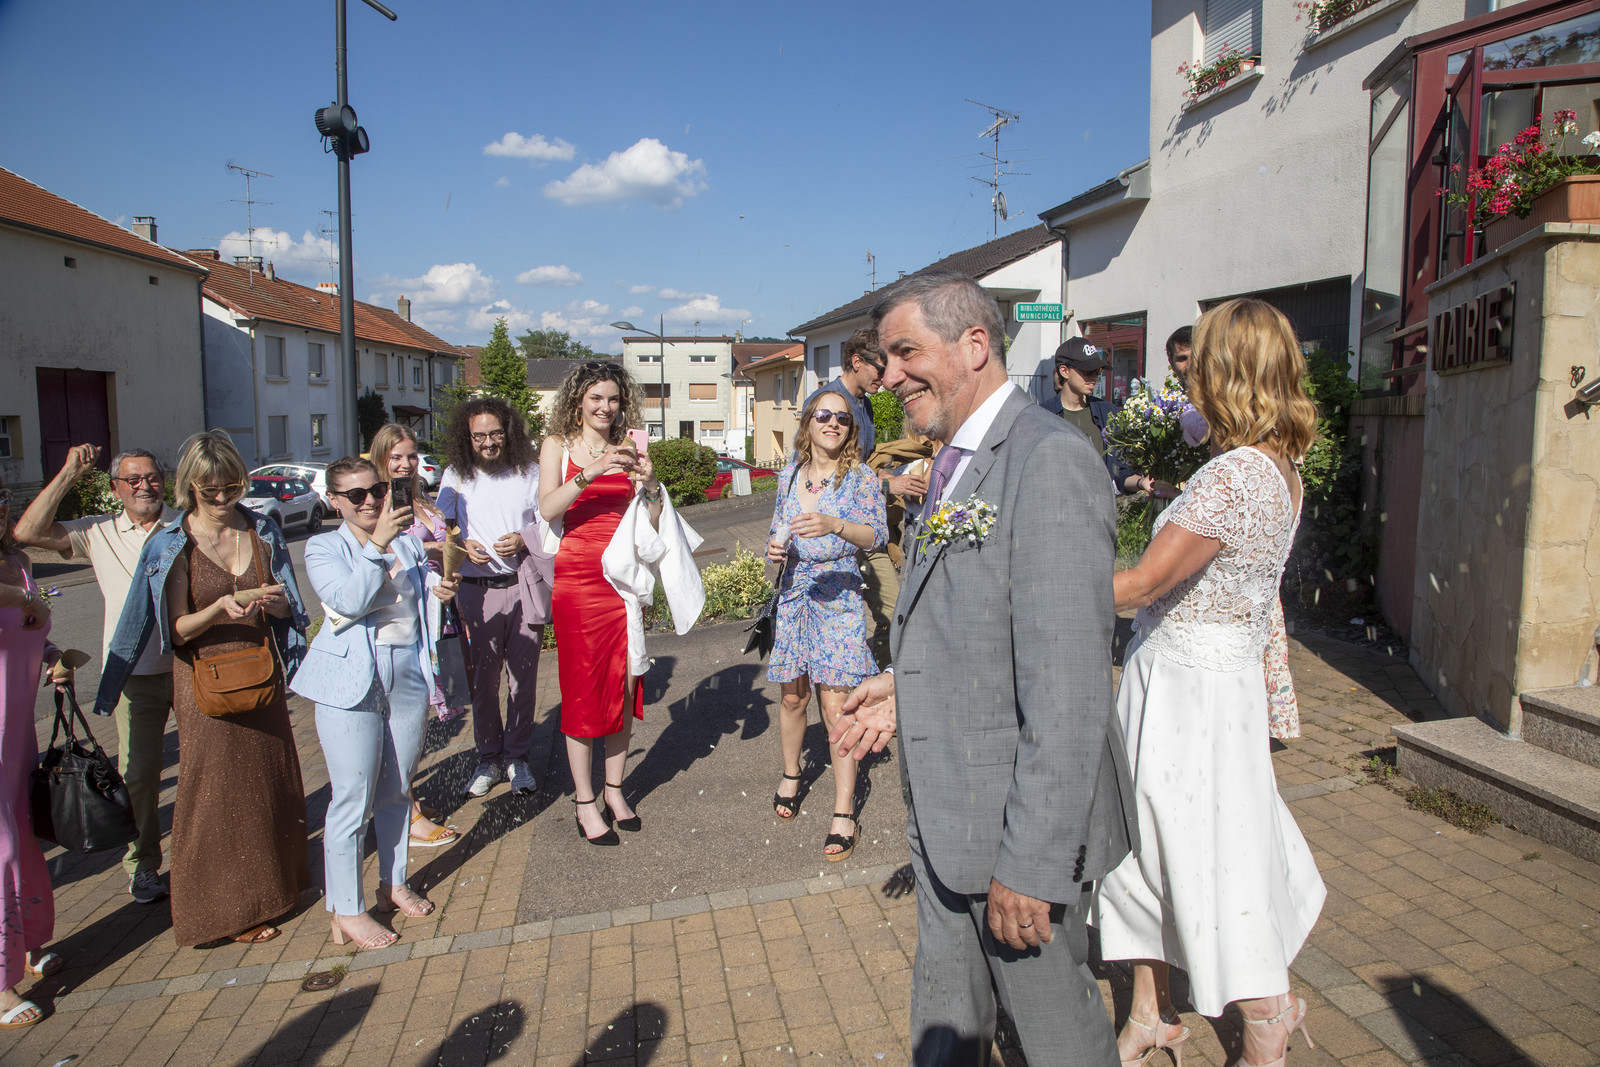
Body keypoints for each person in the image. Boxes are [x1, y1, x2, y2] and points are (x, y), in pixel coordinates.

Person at [829, 270, 1136, 1066]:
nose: (887, 376)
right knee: (947, 1034)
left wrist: (1032, 865)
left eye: (904, 352)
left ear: (974, 344)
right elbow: (988, 621)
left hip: (1012, 841)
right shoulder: (953, 460)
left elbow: (1068, 689)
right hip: (946, 822)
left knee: (1055, 1042)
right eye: (884, 359)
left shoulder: (1049, 460)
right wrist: (905, 685)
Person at [1092, 298, 1325, 1067]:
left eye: (1202, 361)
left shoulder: (1234, 474)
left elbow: (1142, 585)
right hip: (1217, 682)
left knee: (1195, 856)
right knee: (1153, 849)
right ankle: (1150, 1014)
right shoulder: (1280, 468)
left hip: (1189, 690)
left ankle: (1265, 1017)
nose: (1187, 376)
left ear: (1227, 370)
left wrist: (1037, 578)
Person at [95, 430, 312, 948]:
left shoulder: (262, 530)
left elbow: (292, 607)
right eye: (207, 490)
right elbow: (175, 630)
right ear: (188, 486)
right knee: (214, 797)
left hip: (259, 674)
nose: (220, 500)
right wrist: (219, 608)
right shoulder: (172, 542)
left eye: (230, 487)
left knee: (267, 783)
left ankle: (271, 892)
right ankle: (221, 911)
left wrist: (279, 607)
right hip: (204, 685)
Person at [291, 456, 459, 949]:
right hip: (351, 679)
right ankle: (346, 909)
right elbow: (347, 600)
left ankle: (393, 883)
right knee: (351, 797)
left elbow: (412, 591)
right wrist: (379, 542)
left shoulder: (405, 538)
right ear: (335, 501)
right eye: (357, 495)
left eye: (377, 489)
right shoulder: (325, 546)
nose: (371, 501)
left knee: (397, 790)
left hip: (406, 671)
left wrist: (438, 587)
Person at [14, 444, 180, 904]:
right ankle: (143, 867)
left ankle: (202, 857)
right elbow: (27, 531)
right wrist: (70, 472)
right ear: (115, 489)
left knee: (208, 769)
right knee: (140, 775)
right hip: (134, 674)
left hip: (190, 667)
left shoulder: (185, 523)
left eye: (151, 477)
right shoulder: (98, 531)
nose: (144, 486)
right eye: (133, 480)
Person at [537, 362, 664, 845]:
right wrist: (591, 471)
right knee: (583, 690)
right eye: (596, 398)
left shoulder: (632, 447)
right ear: (577, 400)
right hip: (578, 579)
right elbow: (548, 507)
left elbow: (649, 522)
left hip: (622, 579)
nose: (605, 407)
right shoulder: (558, 445)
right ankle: (583, 800)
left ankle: (614, 790)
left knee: (626, 687)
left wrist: (649, 484)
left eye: (612, 399)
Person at [766, 389, 887, 861]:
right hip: (795, 594)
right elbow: (779, 527)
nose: (833, 423)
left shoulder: (859, 478)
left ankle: (842, 809)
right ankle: (793, 773)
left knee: (836, 706)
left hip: (837, 598)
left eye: (842, 417)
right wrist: (775, 549)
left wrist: (835, 524)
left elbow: (876, 535)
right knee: (793, 694)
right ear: (808, 423)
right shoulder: (789, 475)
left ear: (850, 428)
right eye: (824, 415)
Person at [435, 398, 550, 800]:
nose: (488, 443)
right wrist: (462, 543)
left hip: (521, 585)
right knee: (481, 684)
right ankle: (488, 758)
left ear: (509, 432)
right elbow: (441, 529)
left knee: (523, 682)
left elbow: (550, 523)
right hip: (473, 592)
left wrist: (523, 539)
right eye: (479, 435)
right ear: (467, 438)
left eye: (495, 433)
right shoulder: (456, 475)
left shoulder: (530, 472)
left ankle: (518, 758)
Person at [367, 423, 462, 847]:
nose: (405, 464)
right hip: (394, 624)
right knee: (398, 721)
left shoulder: (418, 497)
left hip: (430, 614)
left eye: (410, 455)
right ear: (380, 458)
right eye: (396, 457)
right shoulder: (374, 502)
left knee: (415, 717)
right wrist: (433, 553)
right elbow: (381, 554)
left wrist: (456, 550)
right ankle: (404, 812)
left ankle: (405, 800)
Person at [0, 475, 68, 1028]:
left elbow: (25, 628)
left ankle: (24, 946)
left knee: (24, 833)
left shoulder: (17, 561)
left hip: (16, 727)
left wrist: (51, 656)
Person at [1043, 338, 1174, 498]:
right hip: (1058, 512)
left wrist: (1143, 483)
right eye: (1087, 371)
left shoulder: (1107, 413)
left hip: (1100, 513)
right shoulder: (1042, 415)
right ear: (1064, 371)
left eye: (1097, 371)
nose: (1093, 378)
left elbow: (1120, 474)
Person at [862, 431, 934, 667]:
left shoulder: (865, 411)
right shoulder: (909, 455)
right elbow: (842, 478)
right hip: (864, 536)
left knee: (895, 614)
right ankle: (885, 677)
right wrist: (885, 482)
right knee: (896, 613)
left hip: (874, 535)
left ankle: (886, 675)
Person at [801, 325, 884, 455]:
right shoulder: (821, 400)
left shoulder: (866, 405)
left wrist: (880, 474)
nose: (883, 378)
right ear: (857, 362)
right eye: (880, 370)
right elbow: (802, 458)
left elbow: (861, 462)